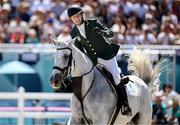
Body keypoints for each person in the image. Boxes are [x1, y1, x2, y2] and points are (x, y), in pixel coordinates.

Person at [67, 5, 132, 116]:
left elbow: (110, 33)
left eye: (77, 16)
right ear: (71, 20)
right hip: (93, 60)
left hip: (106, 55)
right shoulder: (73, 33)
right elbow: (80, 50)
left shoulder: (93, 22)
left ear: (81, 15)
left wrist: (102, 32)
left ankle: (124, 104)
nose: (76, 19)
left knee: (116, 77)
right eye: (73, 18)